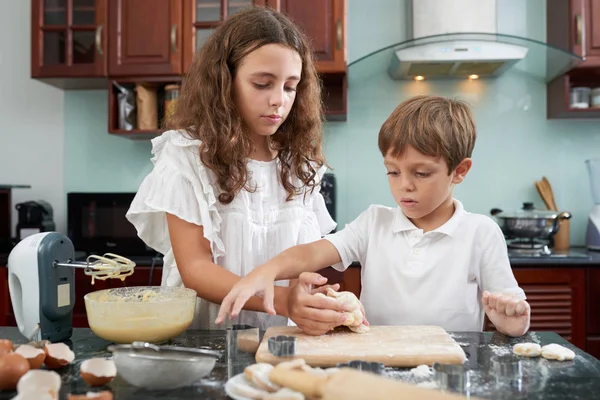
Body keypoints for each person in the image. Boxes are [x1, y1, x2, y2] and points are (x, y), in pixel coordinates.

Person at [216, 95, 531, 338]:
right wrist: (268, 270)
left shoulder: (481, 233)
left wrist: (510, 320)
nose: (404, 185)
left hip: (453, 373)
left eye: (421, 173)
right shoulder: (374, 223)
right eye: (392, 172)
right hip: (379, 368)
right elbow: (313, 252)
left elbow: (512, 320)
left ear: (459, 171)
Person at [126, 6, 349, 330]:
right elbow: (196, 269)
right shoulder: (187, 155)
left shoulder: (300, 164)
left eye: (290, 87)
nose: (279, 100)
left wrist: (310, 298)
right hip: (204, 341)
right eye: (262, 84)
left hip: (277, 341)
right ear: (224, 82)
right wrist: (281, 300)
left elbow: (300, 260)